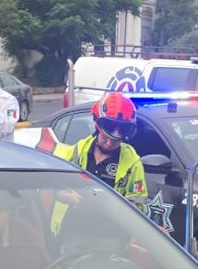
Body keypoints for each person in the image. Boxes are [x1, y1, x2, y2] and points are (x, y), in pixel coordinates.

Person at [52, 91, 148, 219]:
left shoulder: (132, 162)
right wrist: (65, 196)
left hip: (112, 232)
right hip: (71, 228)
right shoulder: (77, 151)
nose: (109, 143)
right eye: (105, 138)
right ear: (97, 127)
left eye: (115, 141)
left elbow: (138, 204)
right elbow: (53, 184)